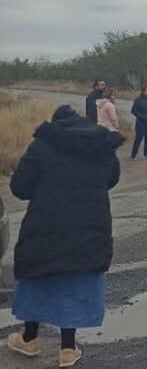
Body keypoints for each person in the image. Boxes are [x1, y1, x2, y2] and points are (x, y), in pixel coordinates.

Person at [6, 105, 122, 367]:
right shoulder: (101, 144)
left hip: (45, 222)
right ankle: (68, 349)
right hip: (90, 223)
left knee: (38, 275)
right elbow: (111, 178)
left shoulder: (42, 145)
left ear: (55, 123)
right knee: (75, 279)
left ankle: (29, 339)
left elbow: (20, 187)